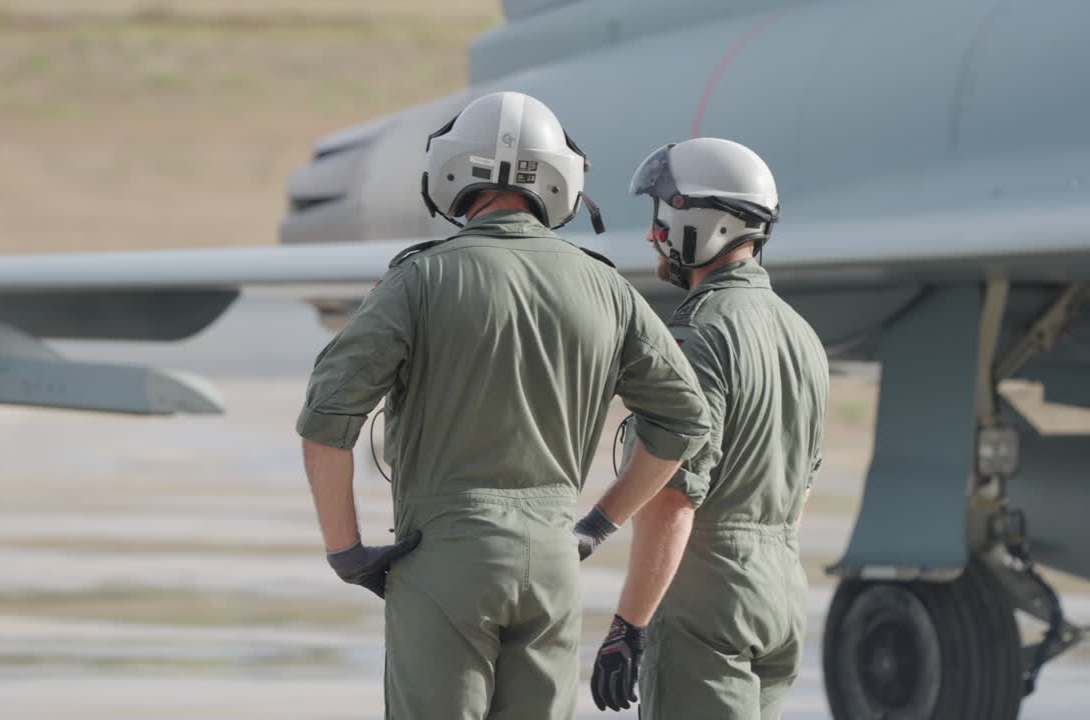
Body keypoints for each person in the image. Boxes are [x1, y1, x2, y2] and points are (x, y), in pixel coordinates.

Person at [295, 91, 710, 720]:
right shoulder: (606, 287)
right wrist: (596, 526)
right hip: (552, 564)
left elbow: (327, 420)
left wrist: (347, 553)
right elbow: (685, 419)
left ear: (453, 170)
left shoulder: (419, 278)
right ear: (560, 179)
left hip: (442, 561)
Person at [589, 138, 829, 718]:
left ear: (703, 222)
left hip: (706, 601)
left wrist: (630, 624)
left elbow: (673, 494)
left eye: (662, 219)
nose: (654, 236)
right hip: (779, 592)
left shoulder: (702, 335)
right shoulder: (802, 336)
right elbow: (801, 486)